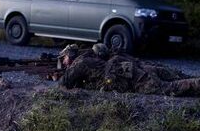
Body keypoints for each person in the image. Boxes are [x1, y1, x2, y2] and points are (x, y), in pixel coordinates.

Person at [59, 43, 200, 97]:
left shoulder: (79, 63)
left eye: (63, 58)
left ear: (70, 55)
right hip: (140, 68)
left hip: (137, 79)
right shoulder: (90, 55)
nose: (63, 62)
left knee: (171, 88)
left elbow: (62, 84)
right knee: (178, 76)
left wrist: (58, 76)